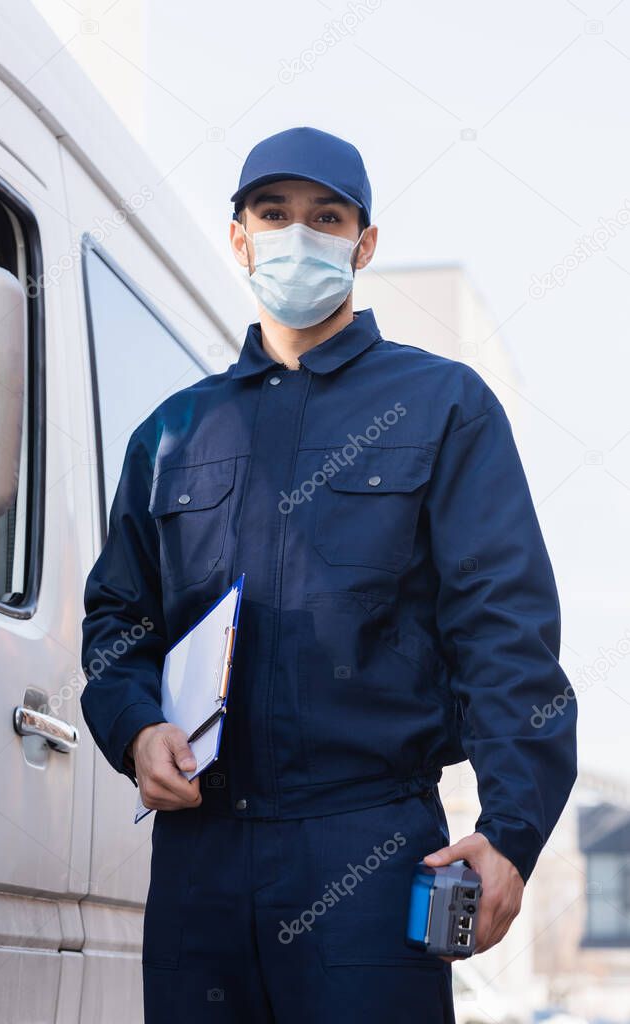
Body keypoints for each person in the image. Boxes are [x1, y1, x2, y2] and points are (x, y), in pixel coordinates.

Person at [80, 126, 577, 1023]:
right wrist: (137, 728)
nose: (297, 235)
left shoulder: (444, 406)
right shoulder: (171, 434)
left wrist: (512, 831)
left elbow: (504, 632)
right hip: (199, 856)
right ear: (239, 237)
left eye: (326, 217)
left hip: (369, 852)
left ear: (364, 243)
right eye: (273, 215)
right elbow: (117, 625)